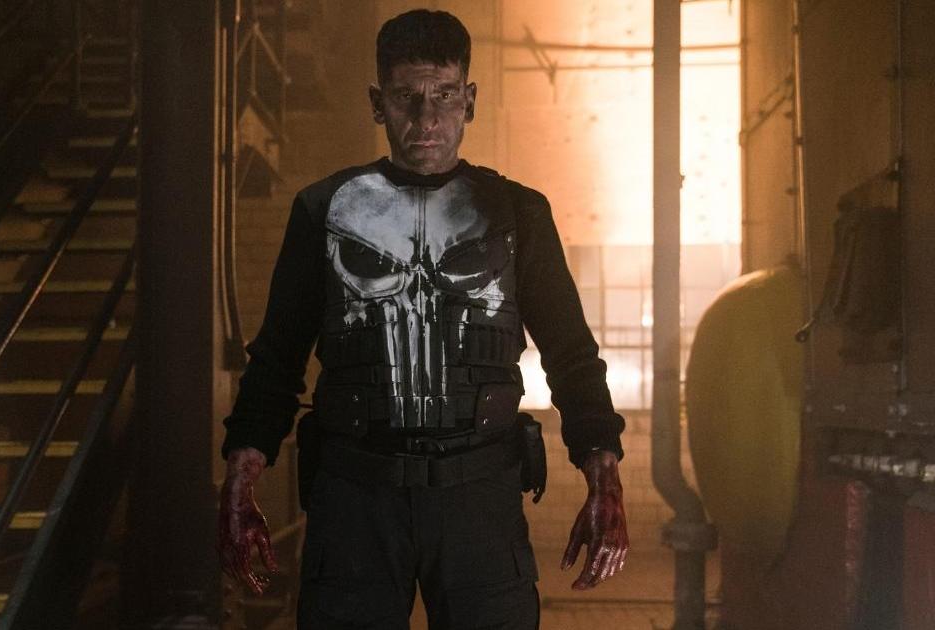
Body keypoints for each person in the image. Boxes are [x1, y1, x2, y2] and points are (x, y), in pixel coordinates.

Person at [218, 9, 629, 629]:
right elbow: (277, 358)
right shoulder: (324, 212)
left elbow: (572, 356)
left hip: (480, 495)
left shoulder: (518, 214)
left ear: (470, 100)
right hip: (355, 496)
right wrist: (241, 474)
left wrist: (604, 475)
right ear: (377, 103)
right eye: (407, 97)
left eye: (444, 96)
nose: (427, 119)